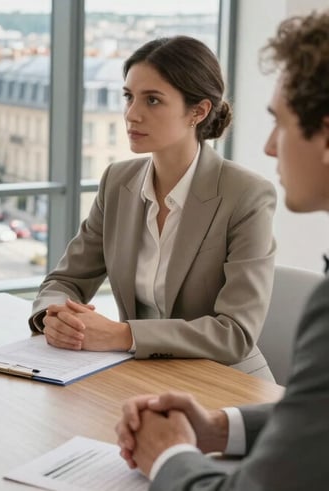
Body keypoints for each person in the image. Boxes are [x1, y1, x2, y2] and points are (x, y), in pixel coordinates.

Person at [115, 11, 329, 490]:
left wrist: (169, 456)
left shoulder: (247, 195)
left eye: (281, 123)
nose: (270, 147)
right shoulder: (120, 181)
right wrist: (219, 427)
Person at [30, 35, 276, 379]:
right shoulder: (118, 182)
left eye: (153, 100)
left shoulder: (246, 195)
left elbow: (234, 333)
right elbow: (65, 279)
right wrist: (55, 316)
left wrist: (123, 335)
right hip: (144, 375)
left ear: (199, 111)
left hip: (226, 381)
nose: (132, 114)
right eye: (128, 97)